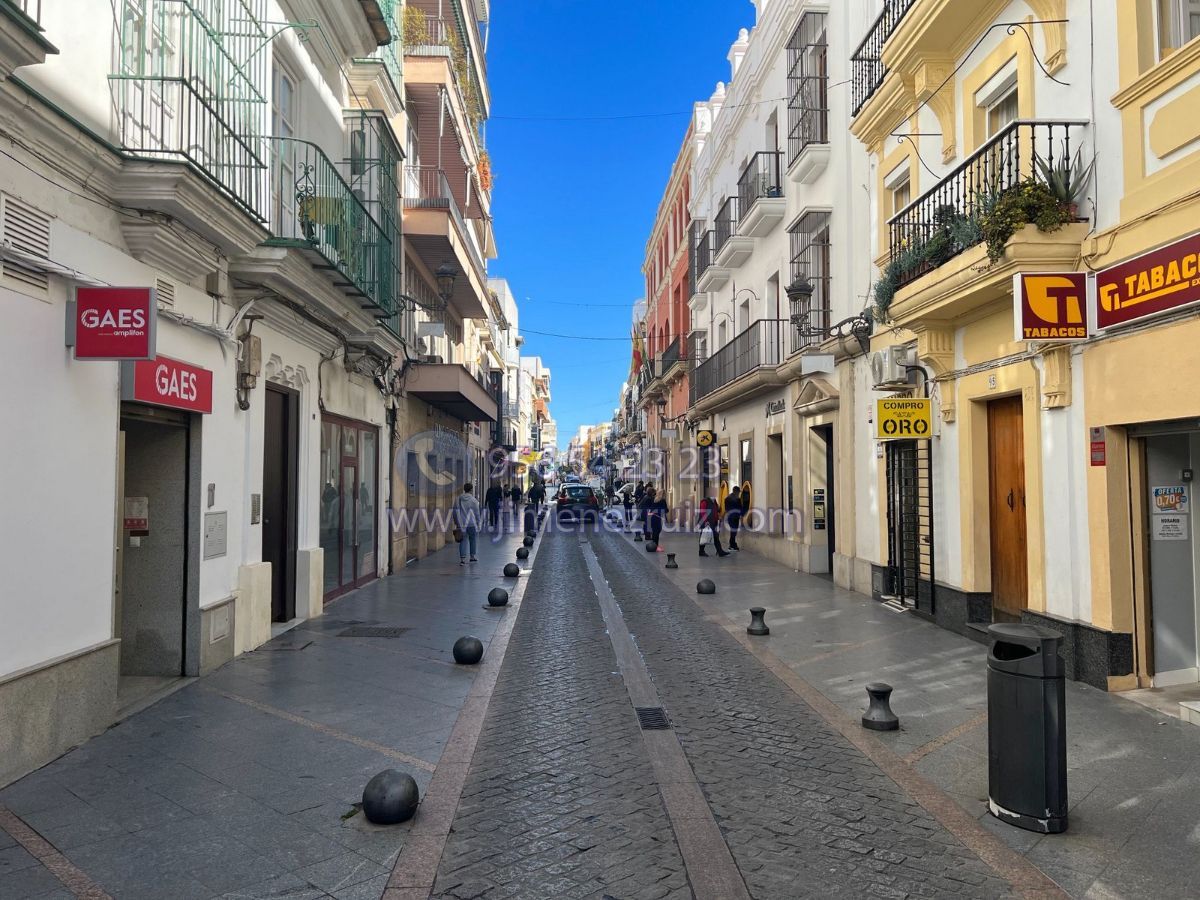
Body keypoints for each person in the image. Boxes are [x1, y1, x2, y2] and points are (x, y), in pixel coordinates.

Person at [454, 483, 481, 564]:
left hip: (462, 523)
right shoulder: (474, 500)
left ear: (464, 489)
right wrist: (478, 522)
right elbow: (477, 513)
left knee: (463, 540)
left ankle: (462, 559)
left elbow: (455, 511)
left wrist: (456, 521)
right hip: (471, 523)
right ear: (471, 490)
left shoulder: (459, 499)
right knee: (472, 539)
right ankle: (472, 556)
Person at [724, 485, 743, 551]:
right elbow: (740, 508)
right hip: (734, 517)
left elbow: (726, 509)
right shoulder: (737, 499)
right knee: (734, 531)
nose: (739, 493)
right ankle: (732, 545)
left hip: (731, 517)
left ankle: (732, 544)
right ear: (736, 491)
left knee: (733, 531)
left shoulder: (727, 498)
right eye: (738, 492)